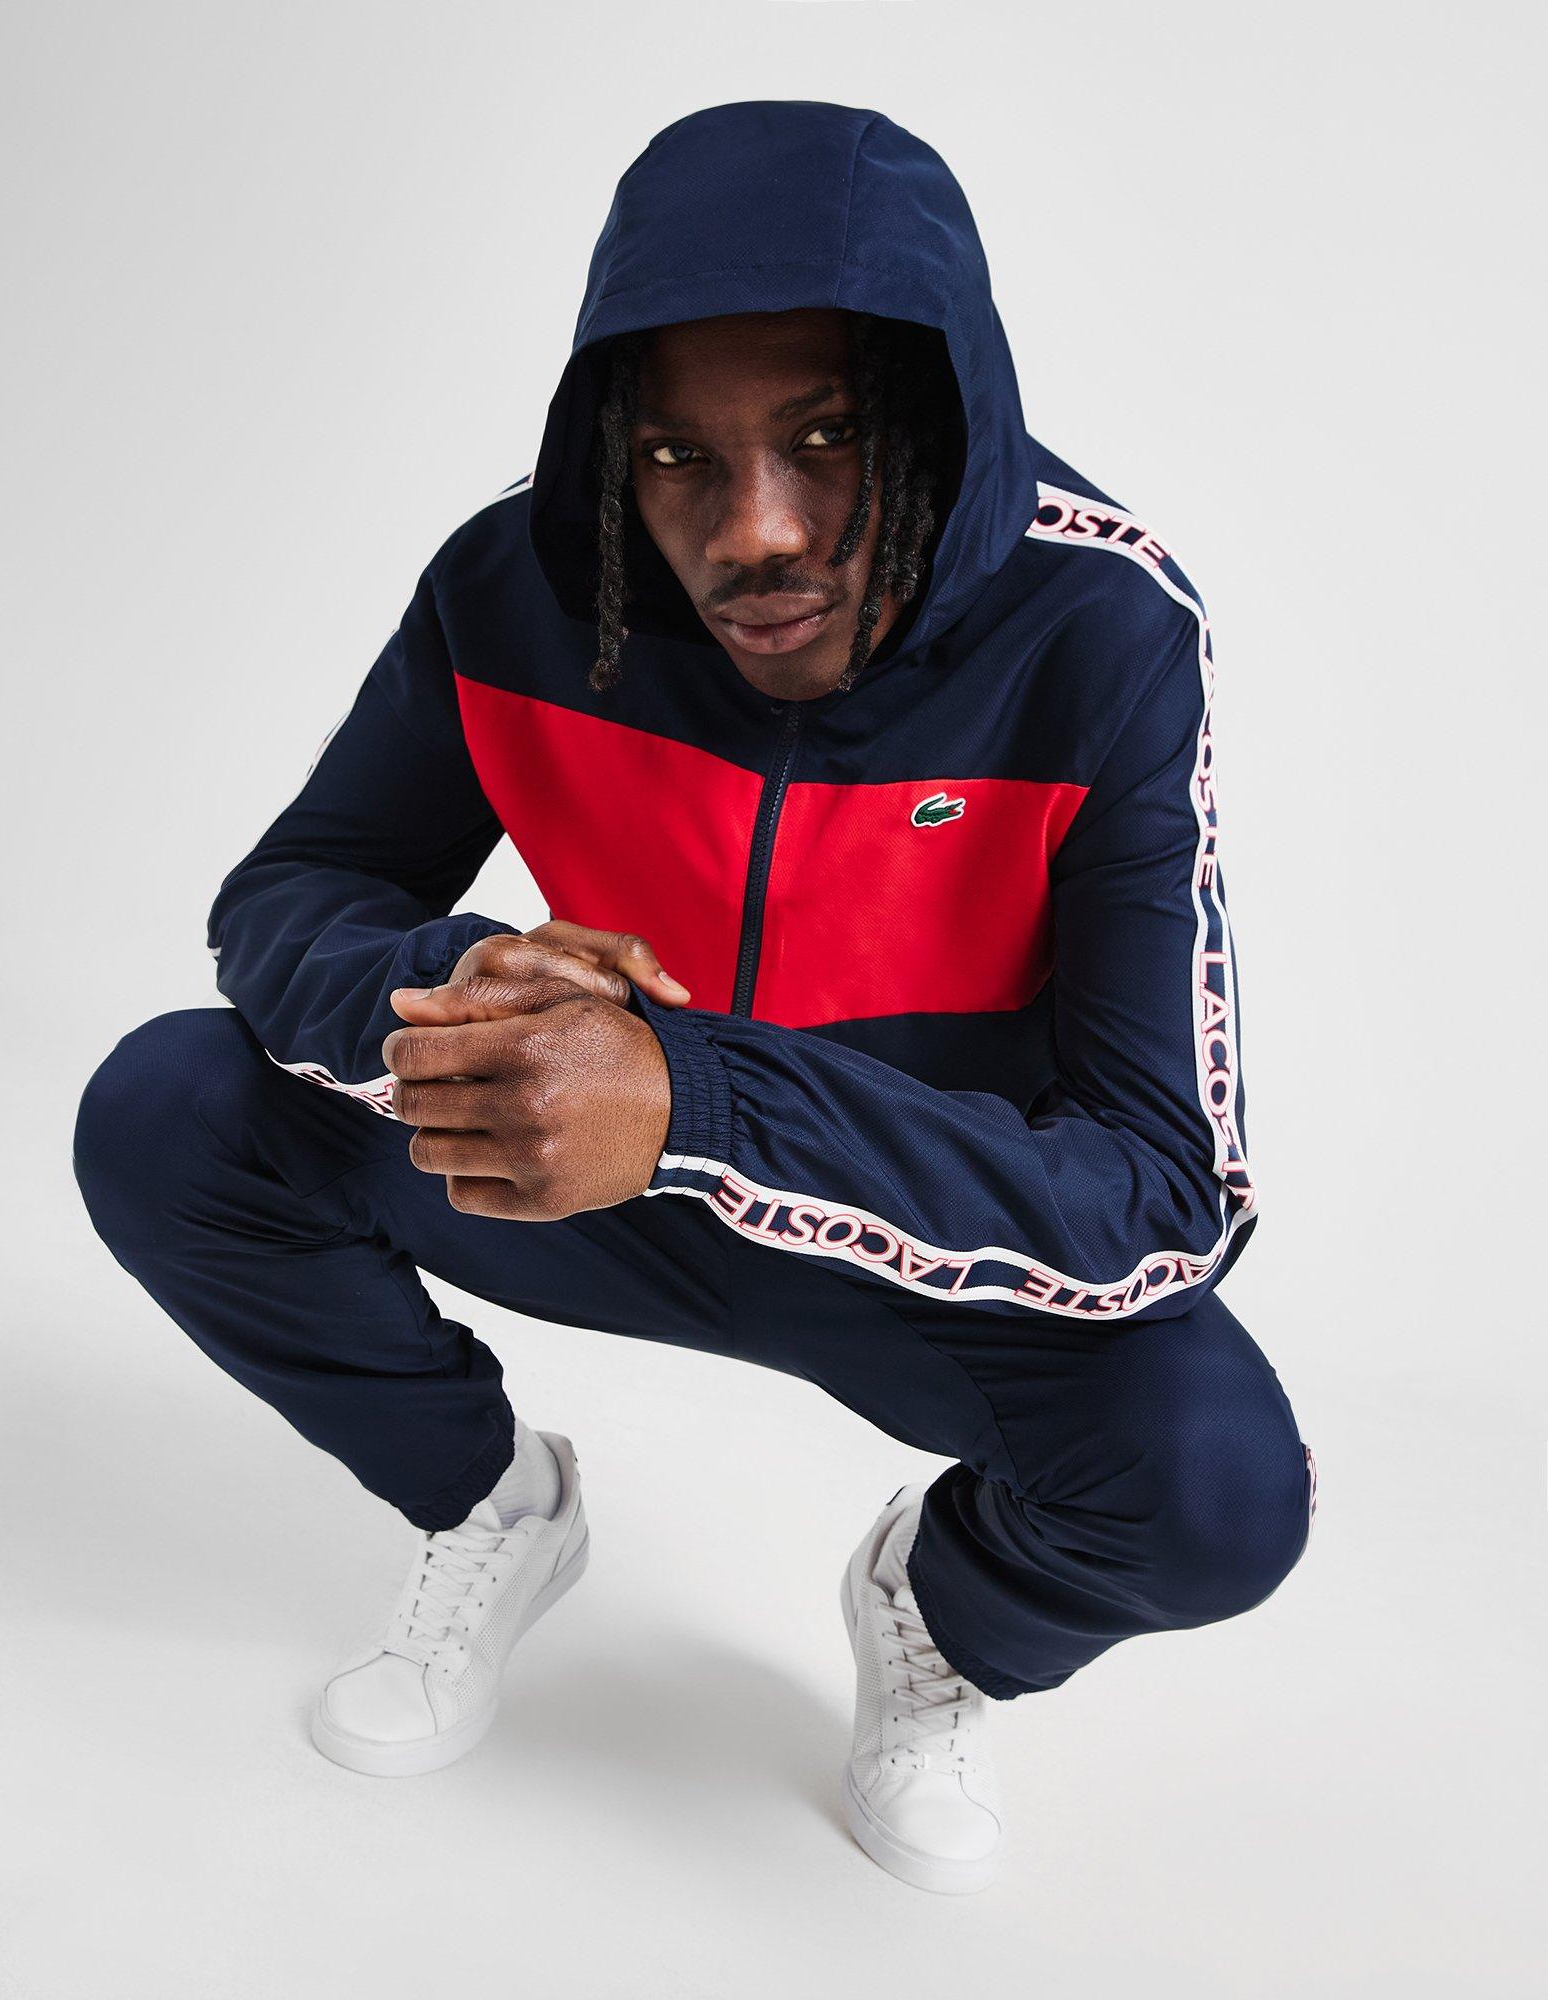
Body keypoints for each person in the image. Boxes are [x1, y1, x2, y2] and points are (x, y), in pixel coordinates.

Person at [73, 99, 1315, 1896]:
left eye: (829, 439)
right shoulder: (516, 582)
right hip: (577, 1167)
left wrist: (703, 1102)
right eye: (676, 457)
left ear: (947, 412)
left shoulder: (1100, 629)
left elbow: (1162, 1196)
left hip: (912, 1233)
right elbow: (289, 900)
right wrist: (457, 983)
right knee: (170, 1111)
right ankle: (494, 1506)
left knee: (1214, 1492)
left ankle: (941, 1615)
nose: (756, 533)